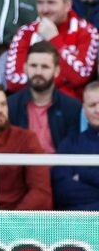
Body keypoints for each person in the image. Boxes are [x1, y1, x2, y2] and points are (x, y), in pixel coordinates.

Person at [5, 0, 99, 100]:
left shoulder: (87, 32)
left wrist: (54, 39)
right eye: (40, 3)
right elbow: (13, 81)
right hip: (28, 106)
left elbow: (80, 77)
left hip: (71, 109)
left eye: (51, 3)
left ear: (67, 5)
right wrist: (64, 79)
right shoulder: (25, 32)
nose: (44, 9)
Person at [6, 41, 83, 153]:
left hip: (59, 168)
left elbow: (72, 152)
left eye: (45, 67)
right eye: (33, 66)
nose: (38, 72)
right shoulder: (10, 105)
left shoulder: (72, 107)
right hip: (22, 168)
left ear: (57, 71)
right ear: (25, 68)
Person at [51, 81, 99, 211]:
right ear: (84, 108)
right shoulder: (69, 145)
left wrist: (82, 175)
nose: (97, 110)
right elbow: (62, 192)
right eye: (92, 105)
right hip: (76, 225)